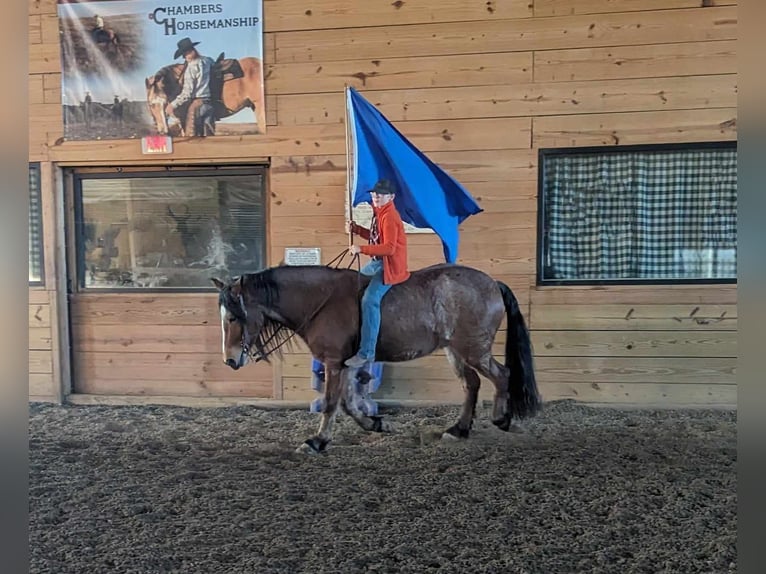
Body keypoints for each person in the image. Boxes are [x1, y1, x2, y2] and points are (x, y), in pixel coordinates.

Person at [344, 179, 410, 368]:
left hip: (389, 266)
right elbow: (376, 238)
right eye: (374, 194)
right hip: (377, 263)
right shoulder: (380, 213)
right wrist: (357, 230)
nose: (376, 197)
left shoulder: (389, 216)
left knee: (369, 300)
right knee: (352, 285)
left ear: (391, 197)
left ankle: (366, 353)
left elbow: (389, 248)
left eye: (380, 194)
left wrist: (360, 249)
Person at [165, 37, 216, 136]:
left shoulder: (191, 68)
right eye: (183, 55)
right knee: (210, 137)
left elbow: (187, 93)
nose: (185, 57)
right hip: (209, 104)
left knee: (191, 138)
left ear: (191, 51)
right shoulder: (207, 61)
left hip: (197, 106)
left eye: (185, 53)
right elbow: (213, 63)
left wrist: (172, 105)